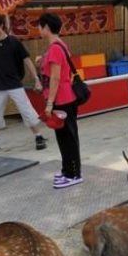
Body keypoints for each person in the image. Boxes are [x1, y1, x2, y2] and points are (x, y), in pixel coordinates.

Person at [0, 11, 47, 154]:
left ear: (1, 26)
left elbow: (27, 60)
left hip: (14, 84)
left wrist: (37, 79)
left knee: (26, 110)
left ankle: (39, 136)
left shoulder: (13, 42)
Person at [38, 13, 82, 189]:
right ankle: (67, 170)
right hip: (61, 98)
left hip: (62, 99)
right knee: (63, 137)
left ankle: (74, 174)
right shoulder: (57, 45)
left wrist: (49, 103)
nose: (39, 30)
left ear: (46, 28)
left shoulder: (55, 48)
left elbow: (55, 78)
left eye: (40, 26)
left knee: (68, 137)